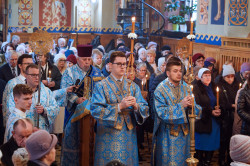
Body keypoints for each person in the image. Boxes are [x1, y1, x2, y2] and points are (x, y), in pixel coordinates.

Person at [90, 51, 149, 165]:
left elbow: (145, 109)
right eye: (119, 64)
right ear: (110, 65)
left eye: (124, 64)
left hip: (128, 134)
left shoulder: (133, 86)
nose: (123, 67)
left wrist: (136, 106)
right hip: (108, 134)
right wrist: (119, 107)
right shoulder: (101, 86)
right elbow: (96, 110)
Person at [152, 57, 201, 166]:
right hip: (168, 136)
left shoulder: (186, 87)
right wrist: (181, 105)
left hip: (185, 136)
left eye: (180, 71)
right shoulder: (160, 90)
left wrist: (191, 107)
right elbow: (162, 113)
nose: (179, 74)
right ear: (168, 73)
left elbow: (196, 110)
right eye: (175, 71)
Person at [60, 45, 103, 166]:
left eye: (89, 59)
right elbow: (65, 90)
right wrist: (77, 99)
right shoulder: (69, 72)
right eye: (84, 59)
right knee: (72, 140)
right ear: (78, 59)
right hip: (73, 113)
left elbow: (102, 90)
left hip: (93, 113)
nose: (87, 62)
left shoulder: (97, 72)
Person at [193, 68, 221, 166]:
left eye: (209, 75)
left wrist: (218, 107)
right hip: (203, 120)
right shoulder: (196, 88)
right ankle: (200, 161)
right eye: (205, 75)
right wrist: (210, 111)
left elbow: (218, 100)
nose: (208, 77)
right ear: (200, 77)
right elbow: (197, 104)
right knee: (201, 144)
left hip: (214, 121)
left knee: (212, 143)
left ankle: (208, 161)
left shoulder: (214, 86)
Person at [2, 54, 33, 124]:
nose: (30, 66)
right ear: (20, 66)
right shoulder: (12, 83)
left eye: (31, 64)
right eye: (27, 63)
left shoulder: (36, 83)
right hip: (18, 125)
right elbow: (8, 108)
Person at [217, 65, 239, 166]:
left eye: (232, 76)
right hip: (224, 118)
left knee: (233, 141)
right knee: (224, 141)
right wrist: (231, 105)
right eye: (227, 77)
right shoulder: (220, 86)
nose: (230, 79)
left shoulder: (237, 85)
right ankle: (221, 159)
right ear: (224, 76)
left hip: (235, 118)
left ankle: (230, 160)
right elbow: (220, 102)